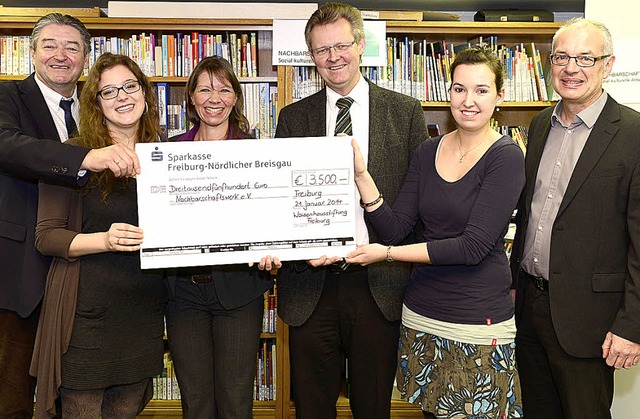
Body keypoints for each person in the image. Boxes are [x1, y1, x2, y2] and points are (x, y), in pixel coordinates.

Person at [345, 45, 525, 418]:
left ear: (500, 96)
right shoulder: (428, 150)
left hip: (476, 322)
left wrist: (387, 255)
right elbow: (396, 228)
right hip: (422, 314)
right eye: (459, 89)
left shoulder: (506, 156)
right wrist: (362, 176)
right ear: (449, 93)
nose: (468, 100)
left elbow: (472, 247)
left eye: (481, 90)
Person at [271, 3, 428, 418]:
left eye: (342, 45)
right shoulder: (292, 118)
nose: (333, 57)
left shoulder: (405, 112)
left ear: (360, 45)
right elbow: (280, 201)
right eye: (322, 50)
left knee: (373, 407)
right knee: (311, 408)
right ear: (311, 57)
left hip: (378, 283)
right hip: (309, 284)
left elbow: (415, 207)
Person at [0, 13, 141, 418]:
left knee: (77, 394)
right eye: (50, 45)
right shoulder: (9, 97)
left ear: (85, 56)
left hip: (85, 277)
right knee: (13, 393)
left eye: (72, 47)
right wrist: (86, 156)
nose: (61, 56)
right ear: (31, 52)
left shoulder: (97, 106)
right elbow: (9, 146)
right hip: (22, 270)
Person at [509, 18, 640, 419]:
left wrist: (632, 325)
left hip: (590, 321)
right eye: (562, 57)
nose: (571, 68)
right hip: (529, 310)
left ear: (608, 64)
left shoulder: (633, 134)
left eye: (585, 58)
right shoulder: (538, 124)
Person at [30, 53, 165, 418]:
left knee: (127, 411)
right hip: (85, 317)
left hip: (143, 314)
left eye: (129, 86)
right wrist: (104, 240)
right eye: (108, 92)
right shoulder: (75, 154)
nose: (122, 96)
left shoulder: (167, 154)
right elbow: (48, 237)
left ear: (145, 93)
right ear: (95, 104)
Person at [164, 56, 274, 418]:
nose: (215, 97)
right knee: (194, 399)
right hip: (184, 293)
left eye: (225, 89)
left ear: (236, 98)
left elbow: (270, 219)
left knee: (235, 397)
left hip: (240, 290)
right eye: (205, 88)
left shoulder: (258, 154)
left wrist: (273, 248)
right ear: (191, 98)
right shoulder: (167, 153)